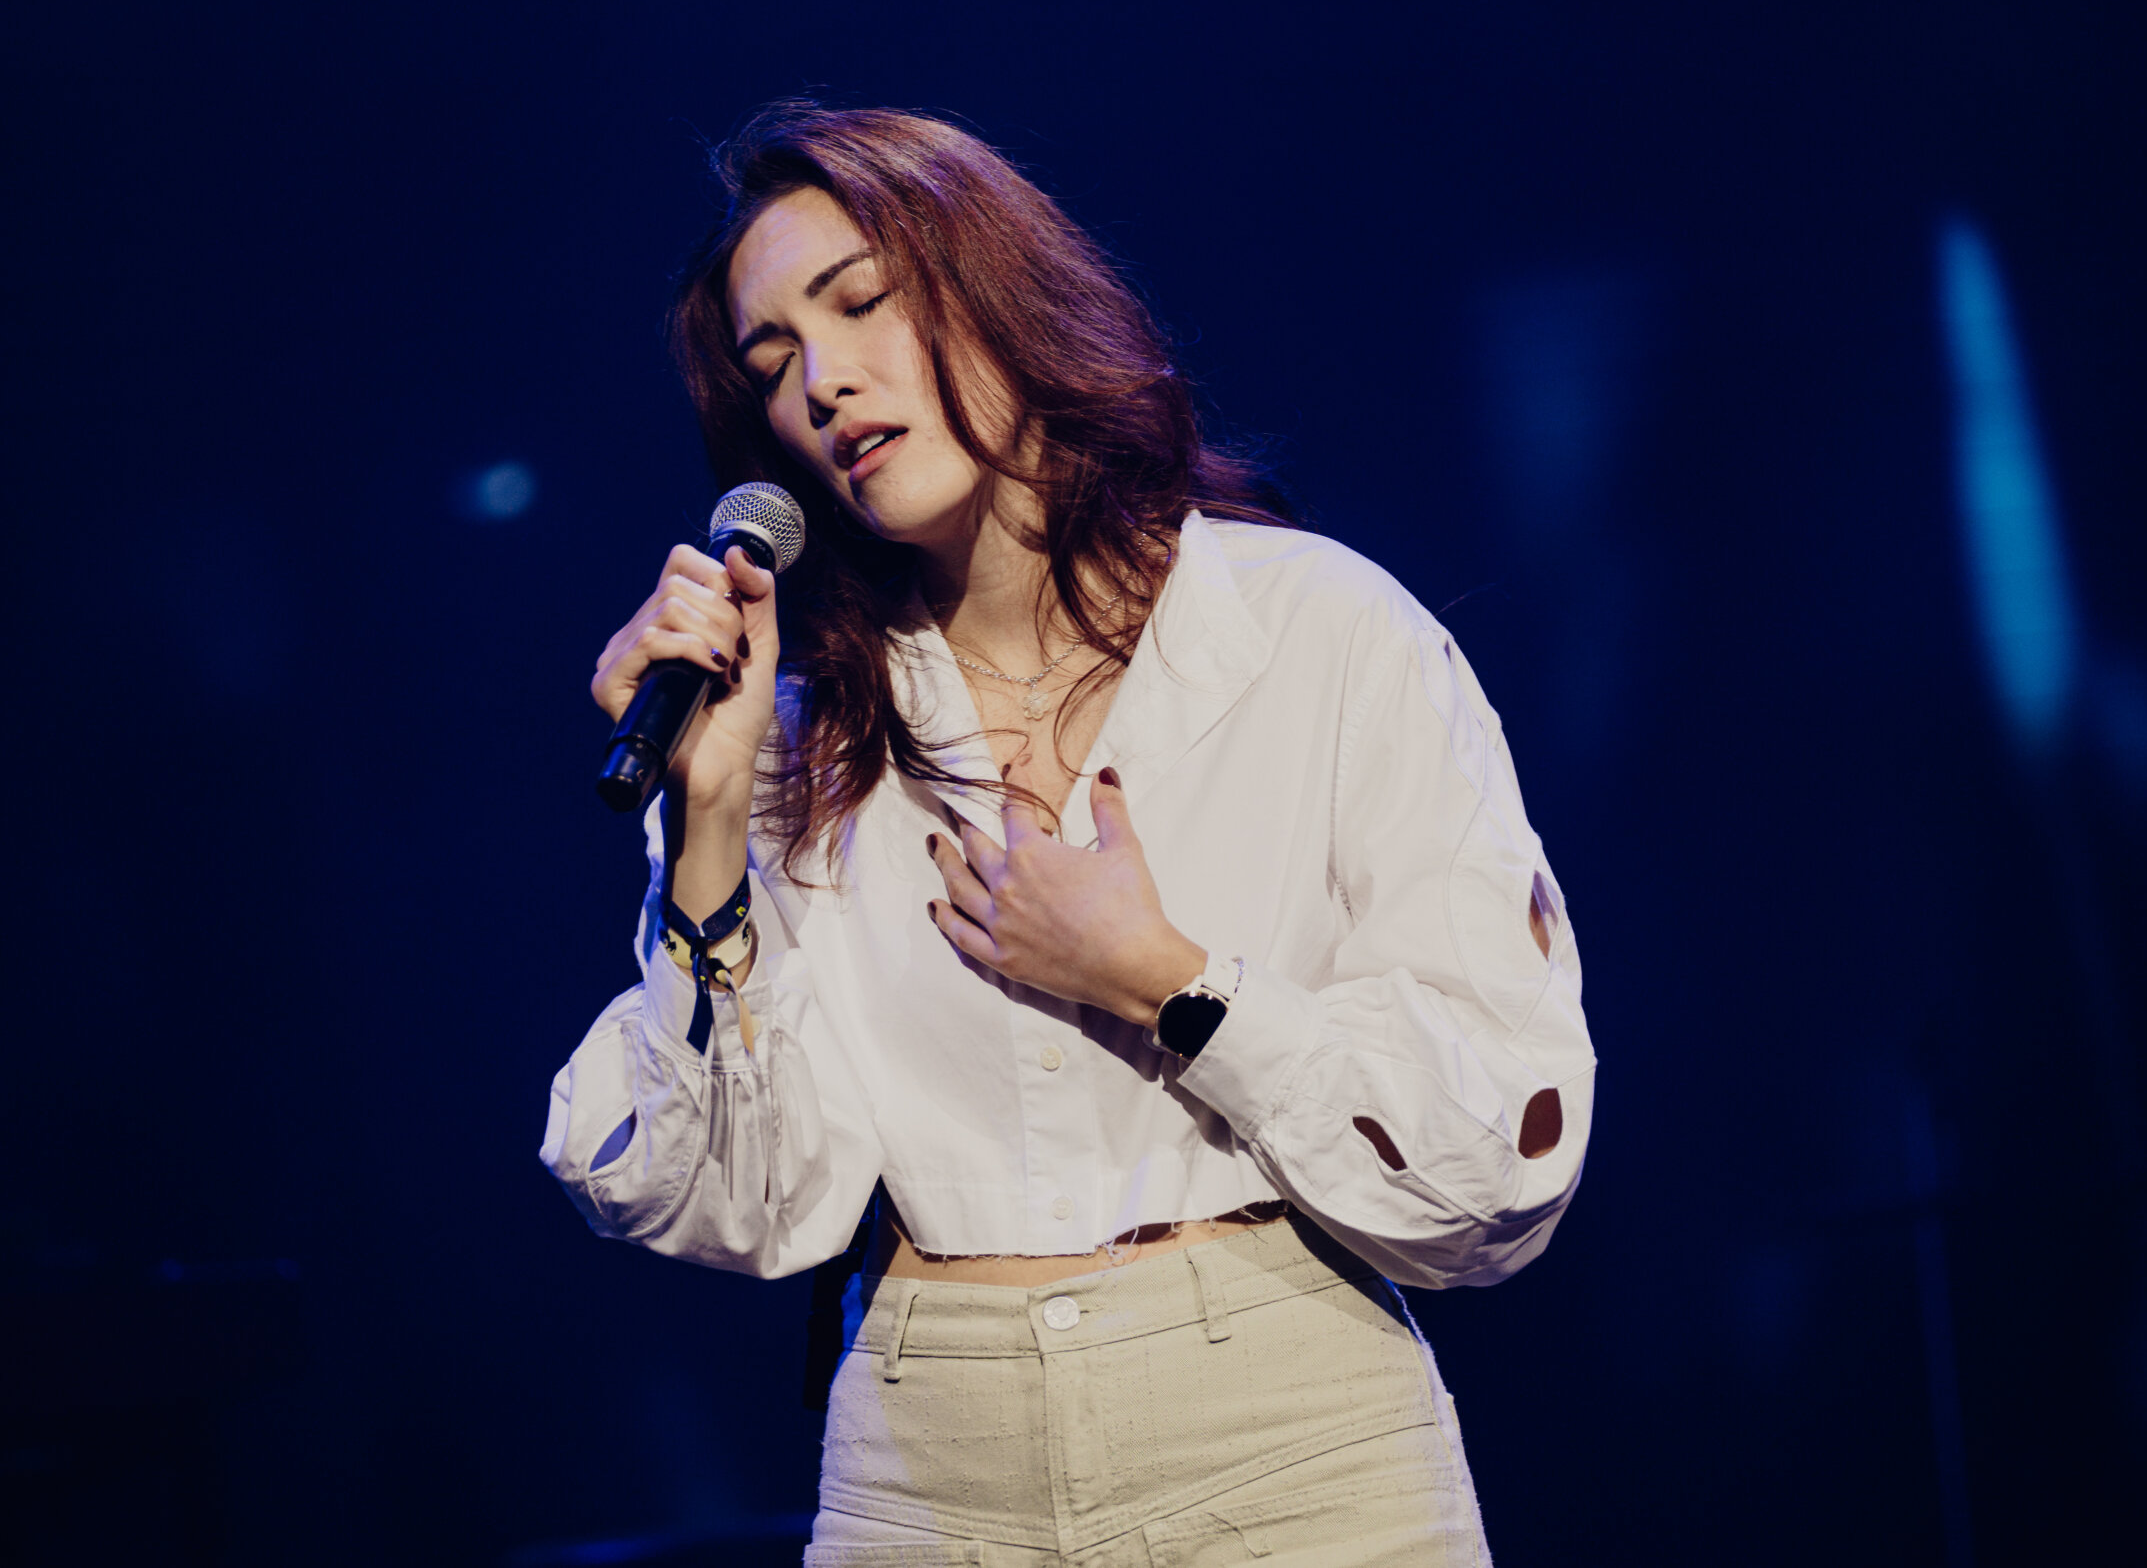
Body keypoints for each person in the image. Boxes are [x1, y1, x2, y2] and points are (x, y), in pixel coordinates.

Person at [544, 102, 1592, 1566]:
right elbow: (733, 1204)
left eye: (860, 302)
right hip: (929, 1464)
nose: (823, 384)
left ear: (999, 290)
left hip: (1290, 1440)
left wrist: (1170, 984)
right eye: (773, 364)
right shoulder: (794, 737)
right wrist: (709, 824)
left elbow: (1498, 1166)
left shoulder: (1320, 634)